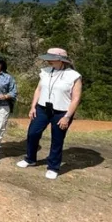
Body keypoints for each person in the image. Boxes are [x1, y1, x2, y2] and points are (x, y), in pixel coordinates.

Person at [18, 48, 82, 180]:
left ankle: (53, 167)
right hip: (42, 109)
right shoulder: (45, 72)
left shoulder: (74, 76)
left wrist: (67, 116)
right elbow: (39, 89)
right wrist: (33, 107)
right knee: (32, 133)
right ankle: (30, 159)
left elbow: (76, 98)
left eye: (51, 59)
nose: (47, 61)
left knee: (57, 139)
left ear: (60, 60)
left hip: (62, 112)